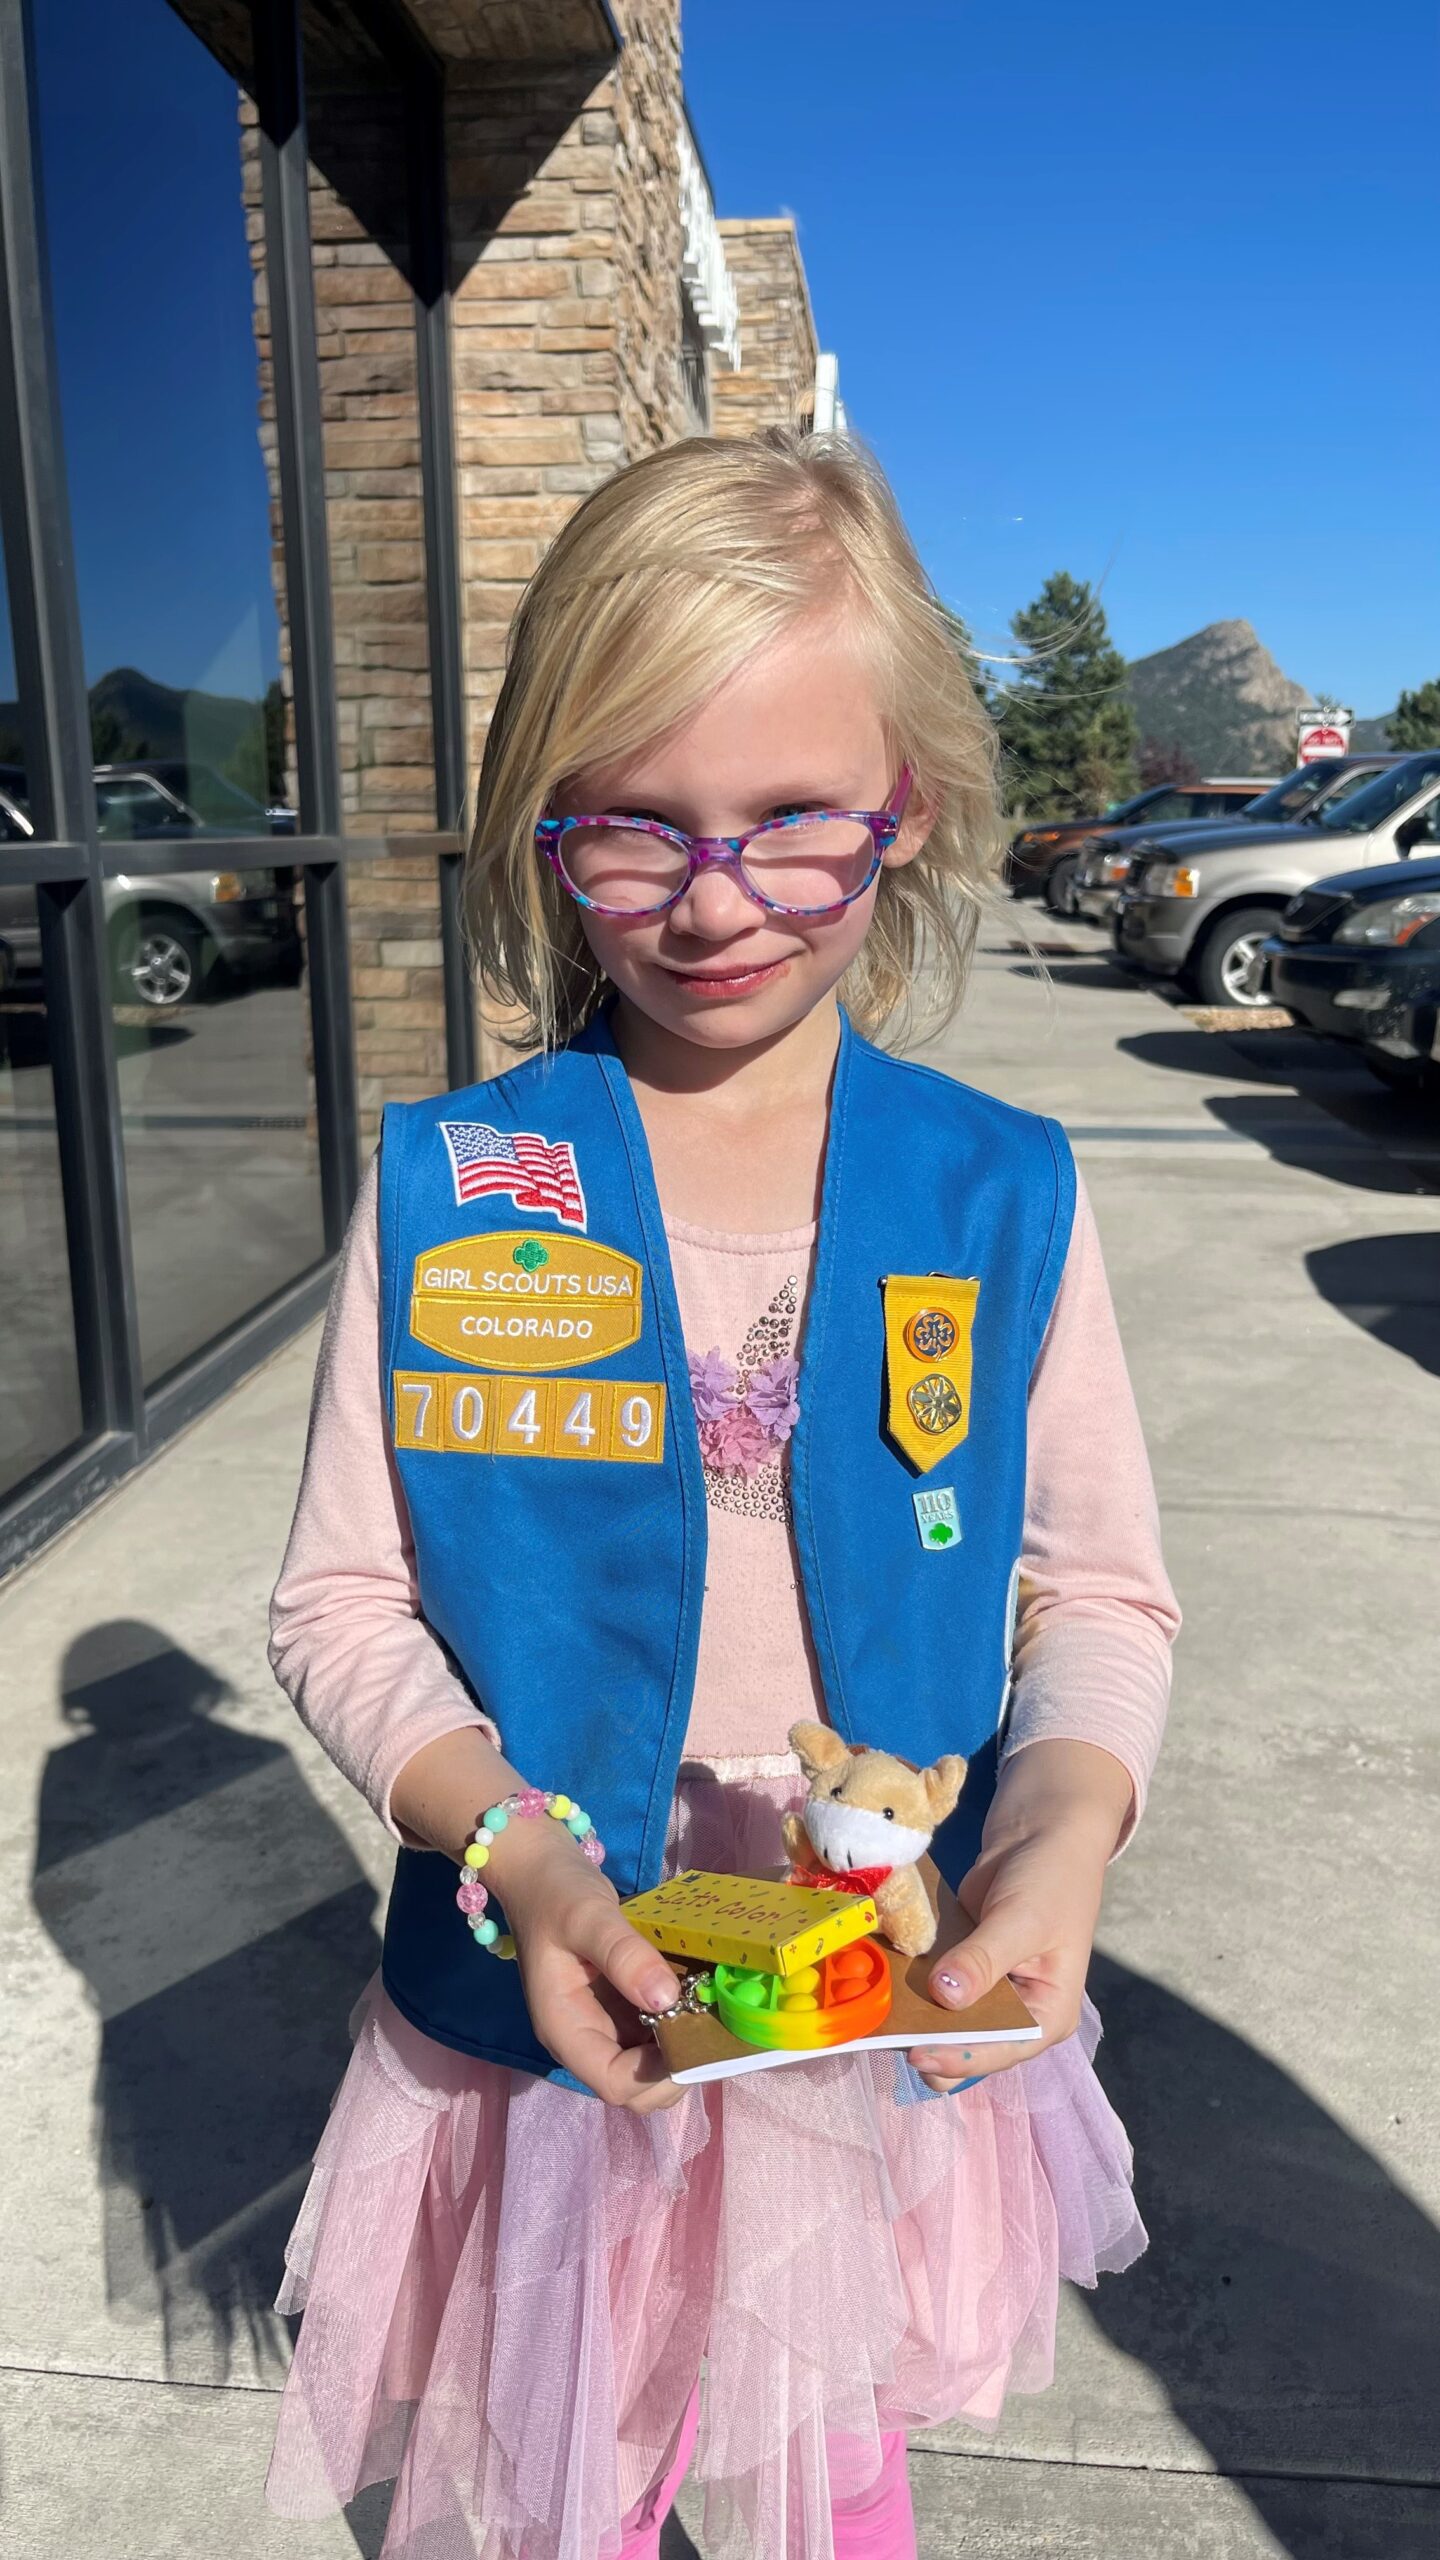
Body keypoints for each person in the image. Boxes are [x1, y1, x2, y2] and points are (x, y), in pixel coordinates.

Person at [264, 429, 1179, 2560]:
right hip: (549, 2017)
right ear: (543, 832)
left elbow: (1098, 1594)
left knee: (835, 2469)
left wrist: (1057, 1835)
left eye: (793, 821)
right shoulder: (458, 1190)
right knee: (559, 2476)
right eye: (630, 832)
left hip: (860, 2005)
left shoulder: (998, 1193)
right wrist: (507, 1841)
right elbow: (340, 1603)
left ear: (911, 808)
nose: (713, 899)